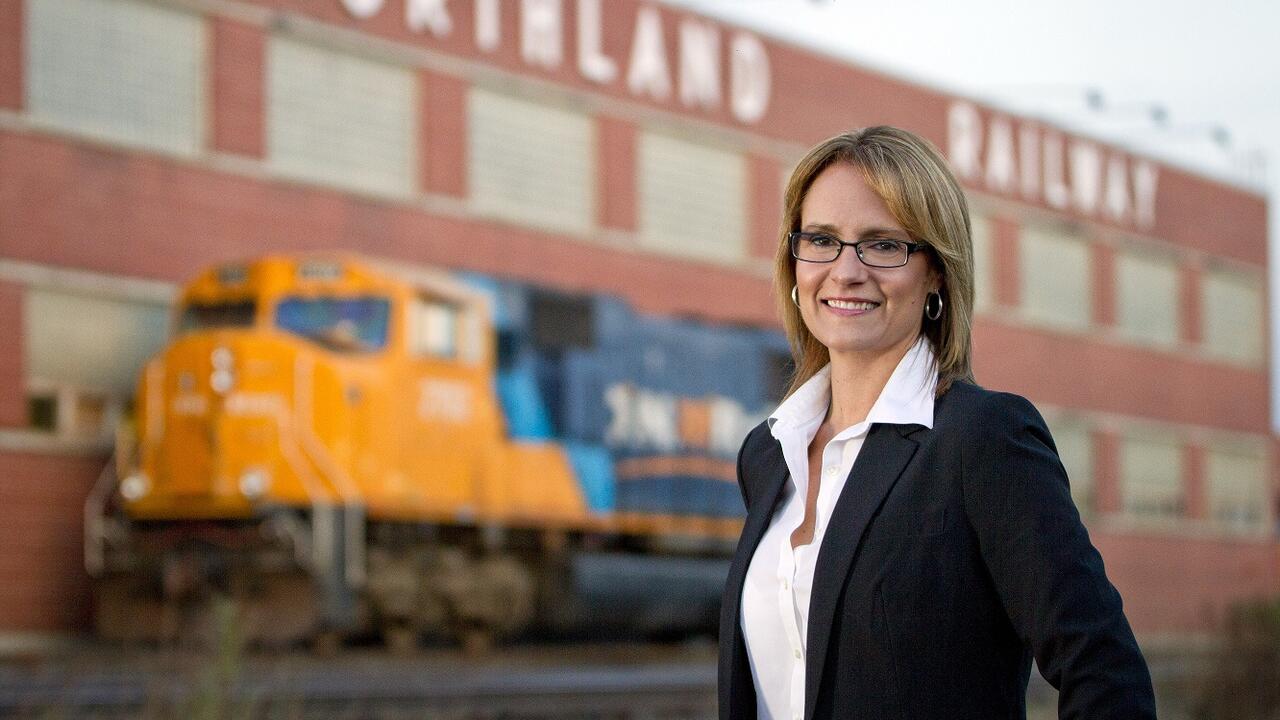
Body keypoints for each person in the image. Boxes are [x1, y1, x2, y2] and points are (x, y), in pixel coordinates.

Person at [717, 126, 1155, 720]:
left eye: (883, 244)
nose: (846, 271)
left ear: (937, 274)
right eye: (821, 240)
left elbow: (1105, 672)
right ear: (793, 262)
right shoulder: (767, 455)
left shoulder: (984, 440)